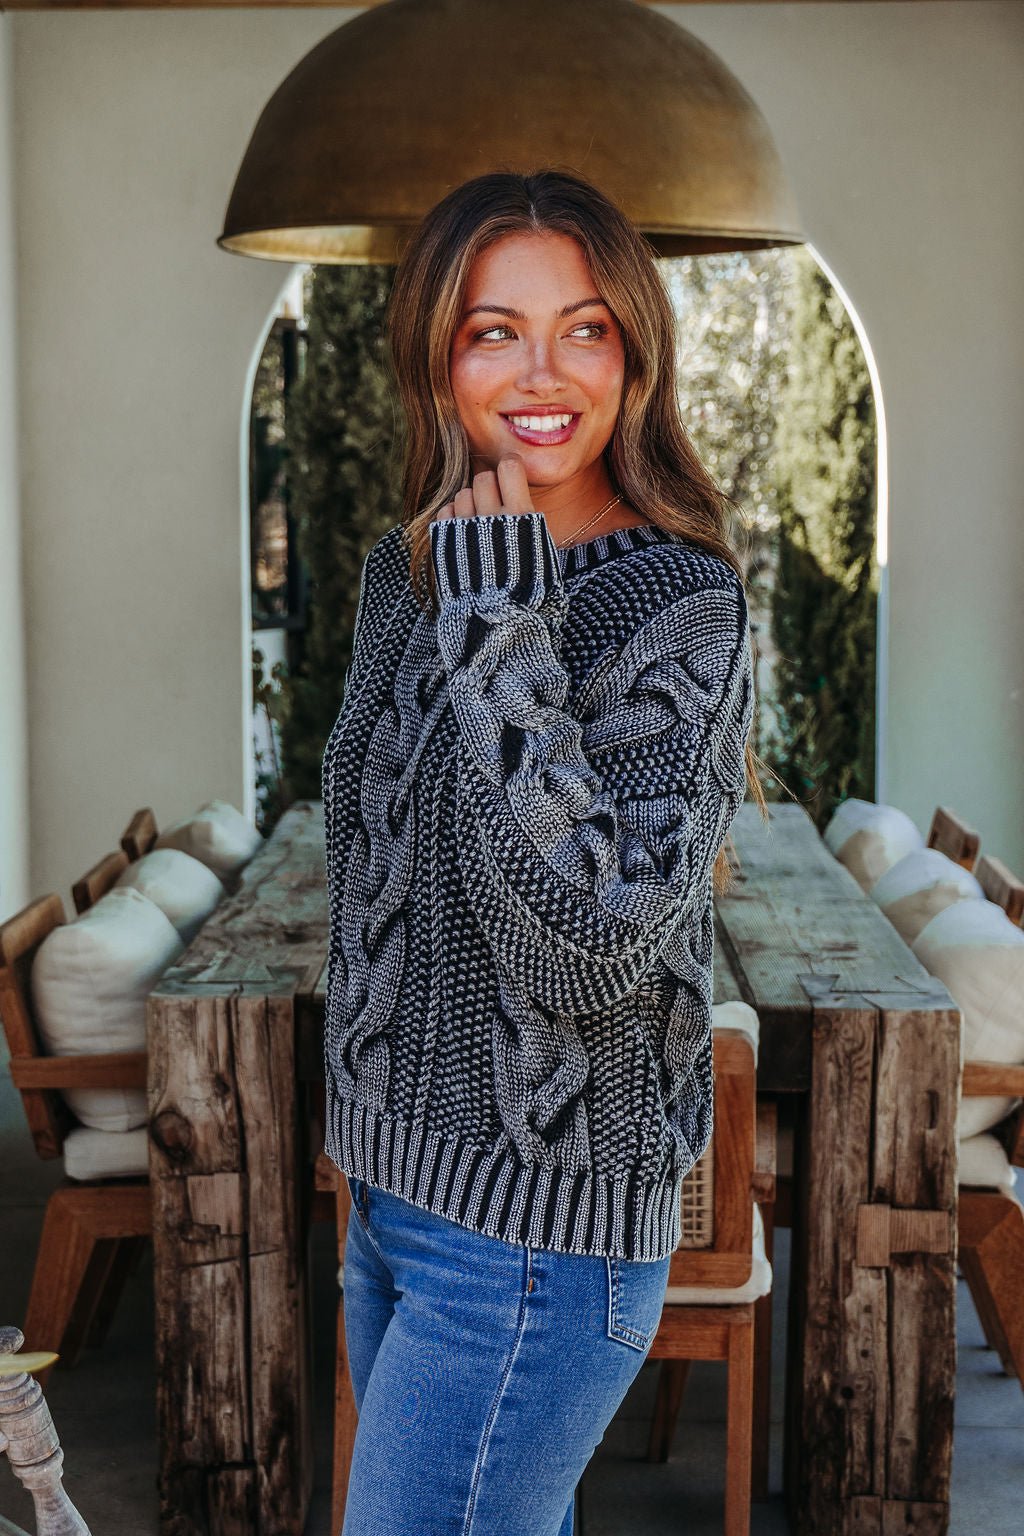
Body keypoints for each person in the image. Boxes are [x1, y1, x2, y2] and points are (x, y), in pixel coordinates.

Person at [321, 167, 762, 1536]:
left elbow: (583, 951)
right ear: (439, 360)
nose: (541, 369)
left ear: (633, 357)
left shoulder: (681, 606)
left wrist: (501, 624)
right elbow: (375, 883)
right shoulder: (410, 573)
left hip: (536, 1248)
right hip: (394, 1197)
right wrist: (365, 1136)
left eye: (583, 326)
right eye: (491, 329)